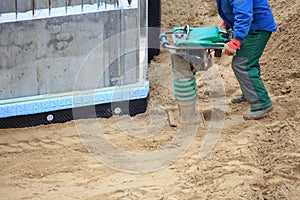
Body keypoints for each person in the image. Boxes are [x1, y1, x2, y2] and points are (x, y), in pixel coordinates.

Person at [216, 0, 277, 120]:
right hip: (252, 26)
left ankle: (261, 103)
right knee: (248, 62)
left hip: (257, 28)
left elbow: (244, 14)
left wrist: (236, 40)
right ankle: (250, 93)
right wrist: (226, 23)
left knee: (243, 64)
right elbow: (233, 7)